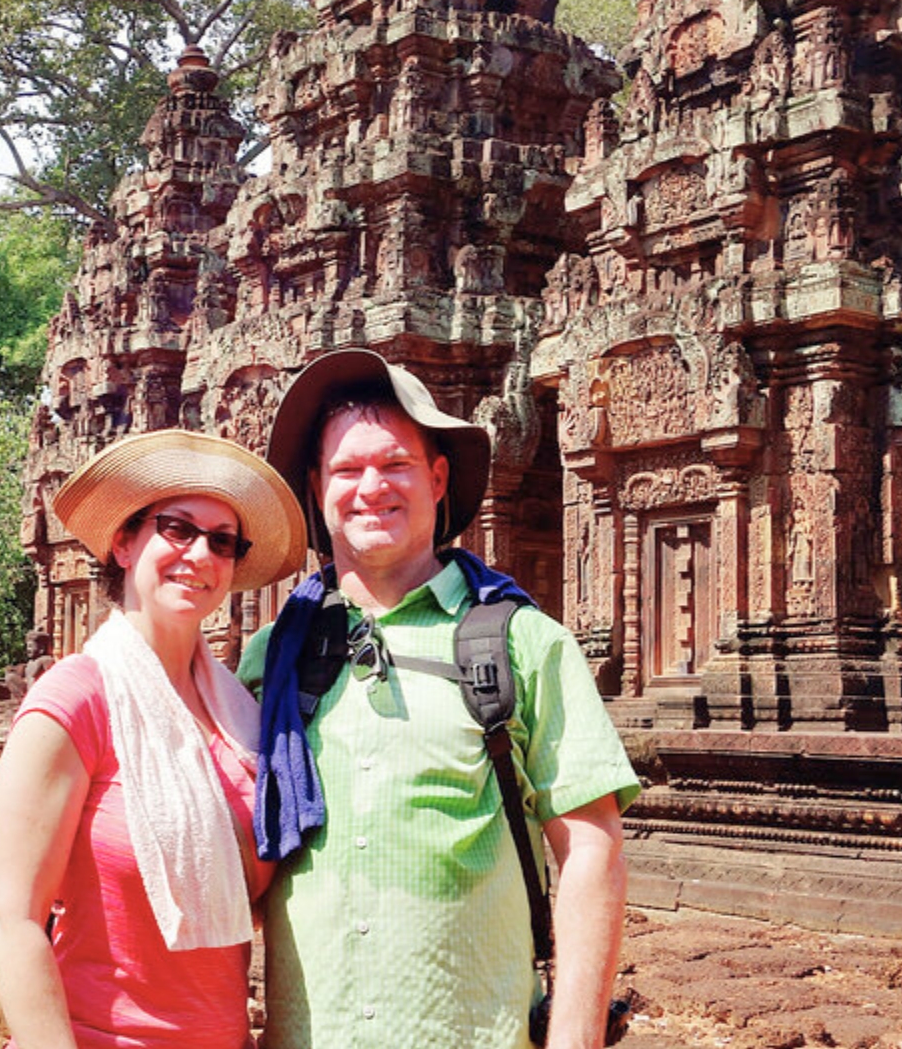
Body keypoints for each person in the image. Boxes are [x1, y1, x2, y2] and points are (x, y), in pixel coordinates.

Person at [241, 349, 642, 1049]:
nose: (372, 487)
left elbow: (590, 848)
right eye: (346, 470)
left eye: (395, 464)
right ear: (315, 487)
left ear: (437, 478)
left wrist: (574, 1038)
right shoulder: (272, 659)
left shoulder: (523, 644)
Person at [0, 429, 309, 1048]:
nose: (200, 554)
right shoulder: (75, 700)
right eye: (177, 529)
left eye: (222, 541)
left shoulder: (240, 717)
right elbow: (12, 918)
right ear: (125, 542)